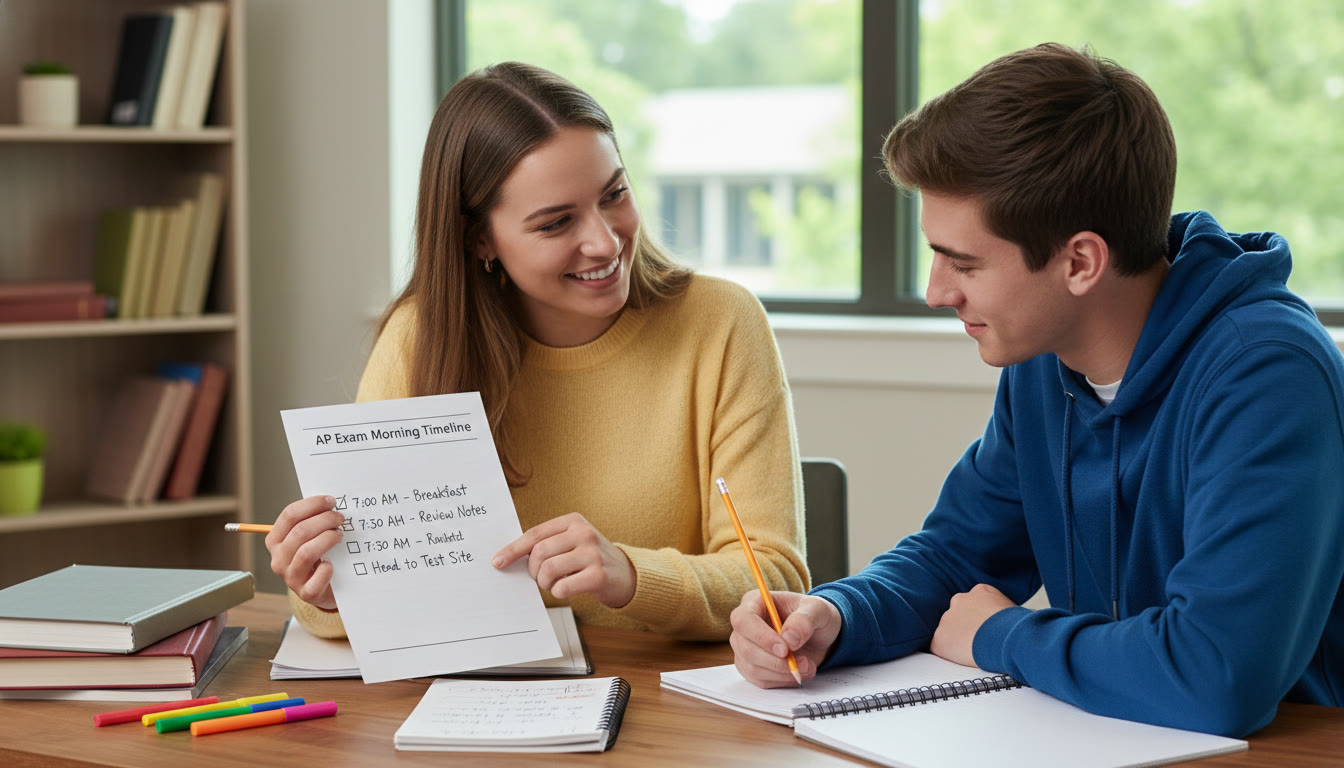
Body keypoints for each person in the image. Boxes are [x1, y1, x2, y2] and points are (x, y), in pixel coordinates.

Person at [729, 43, 1344, 737]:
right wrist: (837, 615)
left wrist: (1003, 636)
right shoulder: (1044, 358)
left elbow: (1216, 675)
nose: (936, 293)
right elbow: (959, 557)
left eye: (963, 263)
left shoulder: (1266, 373)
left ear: (1080, 261)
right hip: (1117, 737)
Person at [267, 62, 808, 642]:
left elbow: (775, 581)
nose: (604, 241)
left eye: (615, 194)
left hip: (671, 707)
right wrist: (330, 593)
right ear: (479, 239)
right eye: (556, 223)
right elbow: (350, 611)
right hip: (467, 704)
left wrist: (630, 575)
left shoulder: (722, 322)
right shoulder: (419, 336)